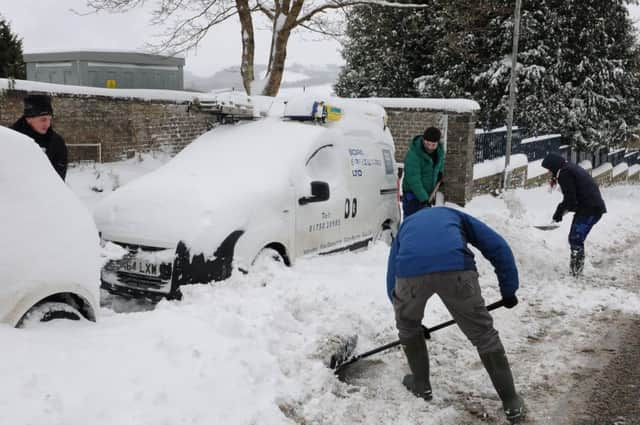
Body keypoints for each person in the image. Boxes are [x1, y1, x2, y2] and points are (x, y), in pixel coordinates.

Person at [386, 206, 525, 423]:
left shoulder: (406, 225)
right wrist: (509, 290)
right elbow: (498, 247)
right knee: (484, 336)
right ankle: (511, 402)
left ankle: (421, 385)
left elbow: (392, 273)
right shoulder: (457, 216)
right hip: (457, 268)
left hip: (409, 274)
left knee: (407, 327)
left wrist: (406, 316)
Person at [541, 153, 606, 276]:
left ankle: (576, 273)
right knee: (575, 239)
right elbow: (574, 198)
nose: (549, 172)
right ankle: (575, 271)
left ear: (554, 166)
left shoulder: (565, 173)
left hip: (591, 209)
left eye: (549, 169)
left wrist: (560, 211)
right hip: (588, 207)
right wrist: (562, 211)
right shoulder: (568, 168)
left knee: (576, 239)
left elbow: (570, 199)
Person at [11, 94, 68, 180]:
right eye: (43, 119)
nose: (47, 124)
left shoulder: (57, 143)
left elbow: (59, 178)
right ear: (28, 118)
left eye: (50, 119)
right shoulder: (10, 138)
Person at [401, 126, 445, 218]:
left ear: (437, 143)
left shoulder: (439, 152)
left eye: (433, 145)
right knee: (412, 222)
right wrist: (424, 199)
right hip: (412, 194)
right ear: (423, 140)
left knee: (424, 223)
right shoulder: (414, 155)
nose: (430, 147)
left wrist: (440, 173)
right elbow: (413, 179)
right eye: (427, 143)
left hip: (427, 194)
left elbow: (440, 164)